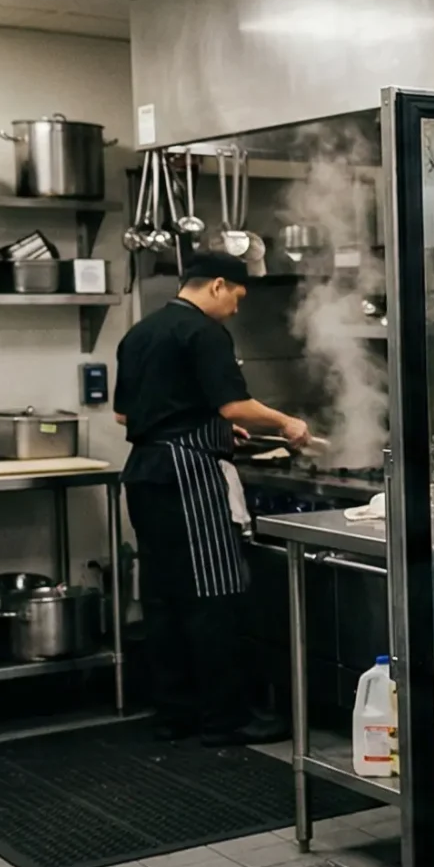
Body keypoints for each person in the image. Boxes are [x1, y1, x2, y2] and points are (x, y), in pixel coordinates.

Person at [115, 251, 311, 744]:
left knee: (163, 598)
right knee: (212, 597)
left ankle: (174, 714)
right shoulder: (204, 332)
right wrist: (286, 422)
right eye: (238, 299)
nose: (237, 310)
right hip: (189, 479)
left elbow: (127, 416)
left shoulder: (140, 332)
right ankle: (226, 719)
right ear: (218, 285)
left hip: (144, 474)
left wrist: (217, 427)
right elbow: (232, 402)